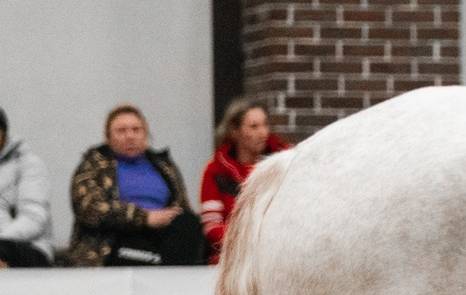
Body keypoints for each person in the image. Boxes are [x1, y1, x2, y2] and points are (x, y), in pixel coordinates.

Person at [65, 104, 206, 267]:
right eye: (121, 131)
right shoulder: (93, 165)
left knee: (188, 222)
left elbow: (181, 205)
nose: (130, 136)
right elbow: (90, 209)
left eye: (136, 130)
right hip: (115, 240)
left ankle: (174, 274)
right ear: (108, 137)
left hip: (162, 235)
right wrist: (144, 217)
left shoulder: (164, 166)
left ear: (146, 134)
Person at [200, 96, 289, 262]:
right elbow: (212, 228)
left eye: (265, 125)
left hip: (279, 257)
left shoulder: (284, 164)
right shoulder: (216, 171)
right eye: (254, 126)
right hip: (232, 260)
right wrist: (253, 241)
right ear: (235, 131)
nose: (263, 132)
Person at [0, 106, 56, 268]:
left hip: (29, 247)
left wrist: (3, 238)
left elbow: (34, 219)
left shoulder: (28, 164)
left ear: (4, 132)